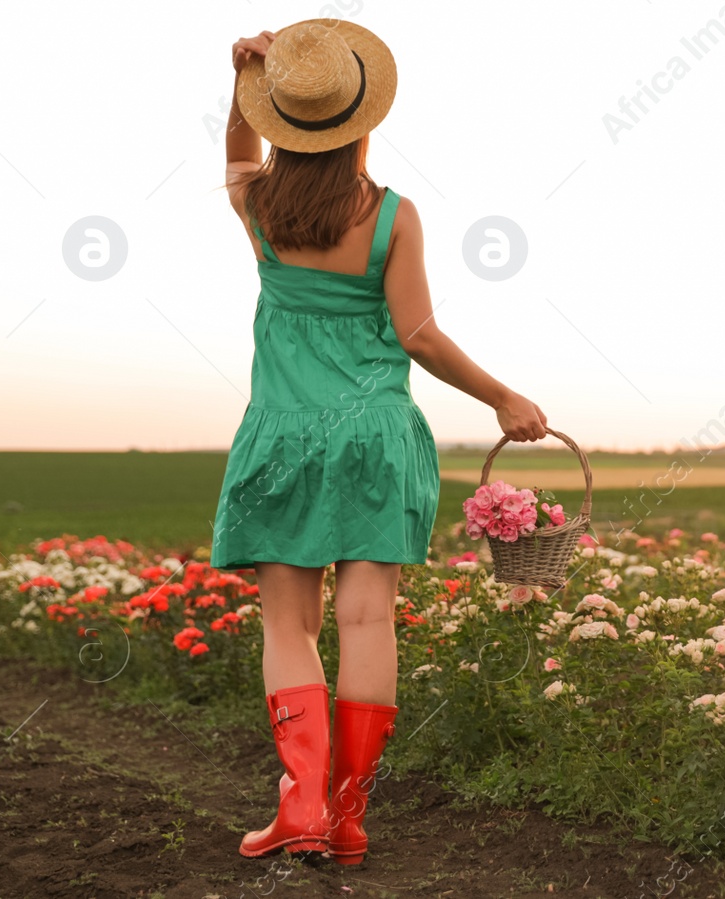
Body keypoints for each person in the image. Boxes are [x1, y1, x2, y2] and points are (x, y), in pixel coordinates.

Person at [212, 20, 547, 865]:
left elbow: (238, 160)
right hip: (374, 437)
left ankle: (304, 809)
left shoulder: (257, 207)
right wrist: (503, 395)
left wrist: (242, 83)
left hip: (285, 442)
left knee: (289, 628)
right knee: (369, 620)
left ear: (285, 122)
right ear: (361, 122)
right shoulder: (393, 216)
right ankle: (351, 818)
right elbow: (421, 336)